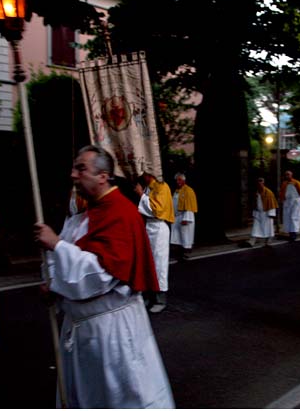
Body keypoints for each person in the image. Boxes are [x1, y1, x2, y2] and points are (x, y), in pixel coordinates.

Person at [34, 145, 175, 408]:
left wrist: (57, 245)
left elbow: (99, 276)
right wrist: (53, 286)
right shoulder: (83, 216)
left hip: (112, 332)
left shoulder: (120, 213)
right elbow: (62, 262)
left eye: (81, 168)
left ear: (103, 176)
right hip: (82, 329)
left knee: (121, 398)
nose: (73, 175)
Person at [136, 171, 175, 313]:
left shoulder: (161, 186)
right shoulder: (149, 187)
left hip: (158, 227)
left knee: (159, 265)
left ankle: (160, 299)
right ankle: (150, 296)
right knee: (148, 263)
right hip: (149, 227)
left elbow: (157, 210)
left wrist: (141, 195)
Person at [170, 172, 198, 260]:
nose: (177, 182)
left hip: (184, 217)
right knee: (177, 237)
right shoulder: (176, 191)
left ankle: (182, 254)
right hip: (176, 217)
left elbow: (189, 205)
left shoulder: (188, 191)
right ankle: (178, 254)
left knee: (184, 236)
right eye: (176, 180)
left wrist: (186, 218)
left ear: (184, 180)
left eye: (179, 180)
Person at [245, 177, 278, 247]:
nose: (259, 184)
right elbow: (254, 203)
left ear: (263, 183)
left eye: (261, 182)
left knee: (269, 228)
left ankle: (268, 242)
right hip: (258, 213)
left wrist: (271, 213)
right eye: (258, 182)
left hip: (266, 213)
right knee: (255, 228)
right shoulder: (256, 192)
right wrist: (254, 212)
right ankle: (251, 242)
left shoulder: (268, 192)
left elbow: (272, 204)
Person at [280, 170, 300, 242]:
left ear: (291, 175)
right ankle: (290, 233)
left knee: (294, 217)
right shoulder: (284, 183)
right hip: (287, 202)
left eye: (288, 174)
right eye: (286, 174)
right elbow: (282, 193)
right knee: (287, 217)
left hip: (295, 202)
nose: (287, 176)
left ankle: (294, 233)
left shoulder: (297, 183)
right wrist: (282, 201)